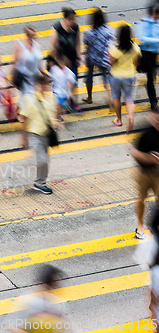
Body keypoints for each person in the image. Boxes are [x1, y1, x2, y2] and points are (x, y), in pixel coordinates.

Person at [18, 74, 59, 195]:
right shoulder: (29, 99)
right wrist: (23, 138)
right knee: (42, 160)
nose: (48, 87)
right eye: (46, 84)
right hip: (34, 134)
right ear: (39, 85)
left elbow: (54, 111)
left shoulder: (51, 97)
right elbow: (23, 119)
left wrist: (56, 122)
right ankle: (39, 184)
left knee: (45, 160)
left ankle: (41, 182)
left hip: (46, 133)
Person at [11, 265, 68, 333]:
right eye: (52, 287)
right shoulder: (26, 302)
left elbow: (63, 325)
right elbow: (13, 327)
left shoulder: (56, 302)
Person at [130, 110, 159, 240]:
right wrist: (149, 158)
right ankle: (140, 225)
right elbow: (134, 152)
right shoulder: (146, 134)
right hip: (144, 173)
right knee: (141, 199)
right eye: (155, 118)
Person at [109, 25, 141, 133]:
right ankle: (130, 117)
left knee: (116, 97)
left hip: (116, 76)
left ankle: (119, 120)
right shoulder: (135, 47)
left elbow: (111, 64)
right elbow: (136, 63)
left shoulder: (115, 49)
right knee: (129, 99)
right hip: (129, 76)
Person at [83, 8, 115, 107]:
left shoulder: (89, 32)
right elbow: (113, 43)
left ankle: (89, 97)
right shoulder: (109, 30)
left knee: (89, 78)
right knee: (106, 79)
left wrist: (87, 58)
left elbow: (87, 44)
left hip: (92, 58)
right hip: (104, 59)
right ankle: (111, 100)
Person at [12, 24, 45, 96]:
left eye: (34, 36)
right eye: (30, 36)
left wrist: (44, 75)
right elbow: (15, 64)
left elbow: (40, 63)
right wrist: (13, 79)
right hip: (24, 79)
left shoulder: (37, 46)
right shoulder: (20, 46)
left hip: (34, 79)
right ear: (26, 35)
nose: (32, 38)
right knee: (27, 99)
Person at [138, 5, 159, 111]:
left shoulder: (157, 22)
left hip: (155, 54)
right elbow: (142, 37)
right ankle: (153, 103)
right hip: (146, 54)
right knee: (150, 78)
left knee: (152, 78)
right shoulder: (145, 22)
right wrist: (156, 40)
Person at [50, 7, 81, 76]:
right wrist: (58, 62)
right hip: (61, 62)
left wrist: (79, 57)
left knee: (73, 82)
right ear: (65, 19)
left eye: (74, 19)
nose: (73, 21)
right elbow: (53, 48)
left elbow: (78, 43)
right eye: (70, 19)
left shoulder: (75, 27)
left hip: (73, 61)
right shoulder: (57, 28)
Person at [47, 55, 78, 121]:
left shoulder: (68, 72)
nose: (62, 65)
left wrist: (70, 91)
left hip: (64, 92)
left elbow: (72, 81)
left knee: (61, 105)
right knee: (58, 103)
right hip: (56, 90)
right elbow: (49, 76)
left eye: (64, 64)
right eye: (60, 63)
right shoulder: (54, 69)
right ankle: (57, 116)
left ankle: (57, 115)